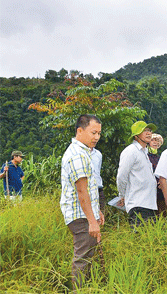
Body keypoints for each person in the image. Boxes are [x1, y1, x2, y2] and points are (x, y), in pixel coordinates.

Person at [60, 114, 104, 289]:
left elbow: (90, 189)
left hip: (86, 214)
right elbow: (81, 191)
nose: (97, 137)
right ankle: (78, 290)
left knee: (88, 256)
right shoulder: (77, 155)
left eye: (99, 133)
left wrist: (97, 212)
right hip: (81, 216)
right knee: (83, 258)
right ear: (80, 130)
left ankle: (87, 288)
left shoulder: (83, 152)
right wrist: (92, 221)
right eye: (93, 133)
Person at [117, 121, 158, 228]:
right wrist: (122, 195)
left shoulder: (144, 152)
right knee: (140, 238)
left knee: (149, 241)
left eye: (149, 130)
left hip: (149, 204)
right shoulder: (130, 151)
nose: (148, 133)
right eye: (144, 131)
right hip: (138, 204)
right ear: (136, 136)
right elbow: (121, 176)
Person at [147, 133, 165, 215]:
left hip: (160, 190)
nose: (155, 142)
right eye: (152, 140)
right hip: (149, 189)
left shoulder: (160, 157)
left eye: (157, 141)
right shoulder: (145, 156)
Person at [90, 148, 104, 213]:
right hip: (87, 189)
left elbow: (98, 172)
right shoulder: (79, 153)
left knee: (100, 216)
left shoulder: (98, 154)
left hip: (98, 189)